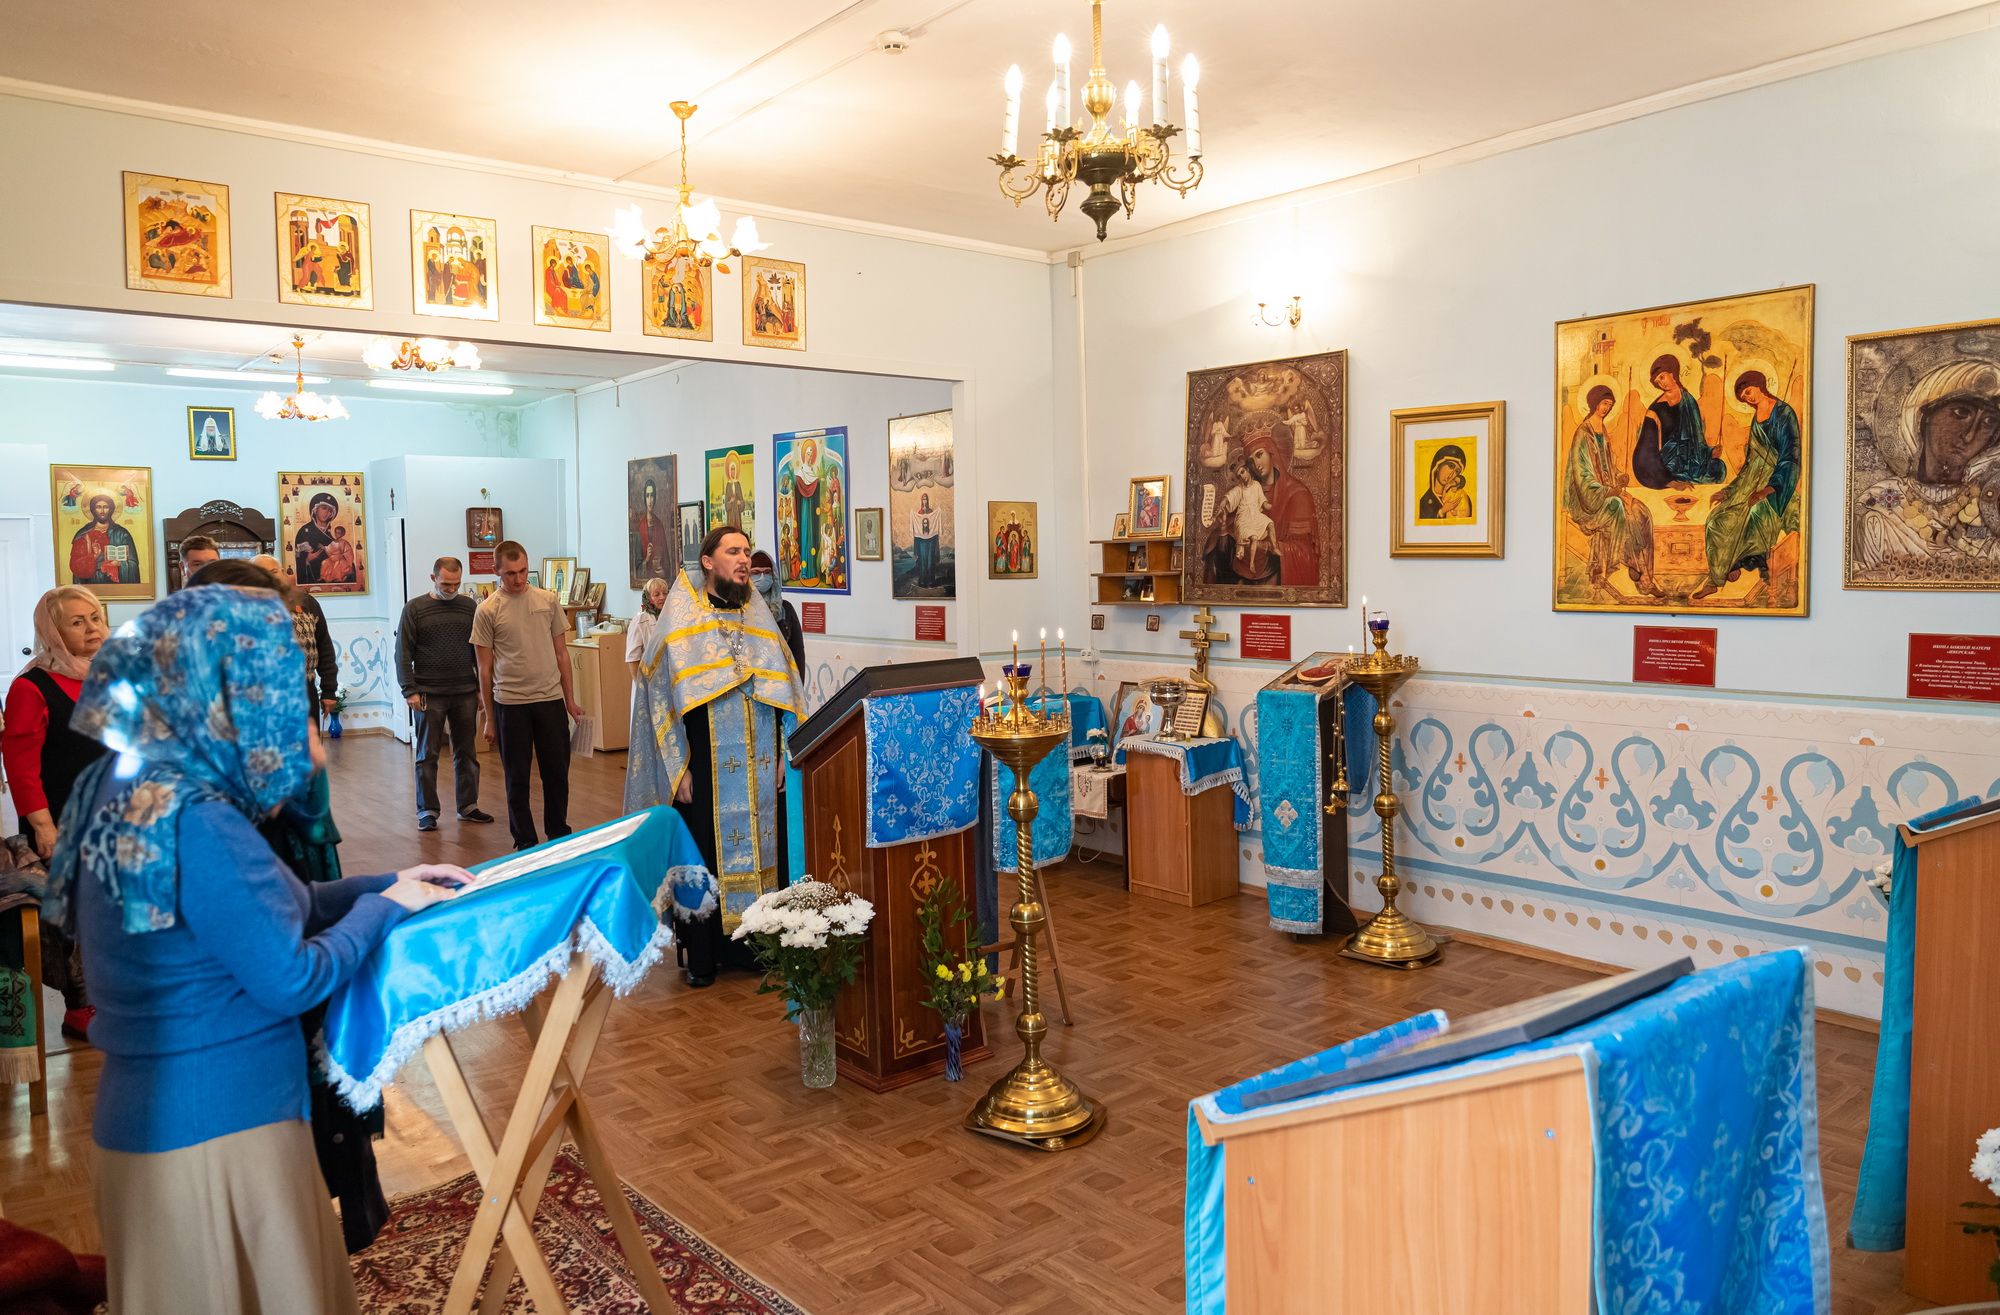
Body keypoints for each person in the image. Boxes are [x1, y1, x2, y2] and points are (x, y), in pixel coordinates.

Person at [44, 584, 468, 1315]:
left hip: (160, 1125)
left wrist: (386, 881)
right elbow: (290, 975)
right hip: (217, 1132)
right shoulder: (198, 819)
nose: (288, 726)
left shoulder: (138, 785)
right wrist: (385, 909)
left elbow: (265, 909)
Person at [626, 526, 803, 987]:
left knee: (766, 852)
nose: (744, 560)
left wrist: (784, 753)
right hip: (702, 764)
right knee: (702, 853)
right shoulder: (680, 622)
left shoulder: (760, 620)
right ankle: (703, 956)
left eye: (746, 551)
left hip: (761, 764)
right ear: (708, 561)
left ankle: (757, 948)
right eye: (733, 552)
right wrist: (677, 767)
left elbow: (787, 694)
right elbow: (658, 701)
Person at [1, 586, 108, 1039]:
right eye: (77, 622)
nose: (92, 629)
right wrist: (43, 826)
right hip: (62, 818)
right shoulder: (32, 687)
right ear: (53, 631)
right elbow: (21, 765)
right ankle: (80, 1006)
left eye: (95, 617)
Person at [473, 540, 584, 851]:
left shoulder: (547, 600)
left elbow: (562, 654)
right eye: (510, 573)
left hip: (549, 700)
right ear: (496, 571)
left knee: (557, 773)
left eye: (523, 571)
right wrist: (489, 719)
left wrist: (570, 701)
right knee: (517, 777)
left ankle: (558, 833)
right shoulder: (487, 610)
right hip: (510, 704)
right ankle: (525, 840)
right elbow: (484, 669)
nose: (518, 579)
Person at [396, 557, 492, 832]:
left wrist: (481, 689)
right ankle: (427, 810)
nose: (451, 589)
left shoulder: (469, 607)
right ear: (433, 578)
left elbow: (477, 651)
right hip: (429, 692)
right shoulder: (415, 608)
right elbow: (402, 652)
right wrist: (409, 690)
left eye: (456, 584)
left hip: (464, 691)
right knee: (428, 754)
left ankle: (468, 805)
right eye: (445, 584)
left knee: (467, 751)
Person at [1695, 371, 1802, 600]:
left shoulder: (1784, 413)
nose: (1748, 398)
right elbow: (1750, 462)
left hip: (1777, 483)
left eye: (1748, 391)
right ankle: (1716, 578)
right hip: (1750, 482)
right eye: (1743, 397)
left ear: (1759, 385)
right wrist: (1729, 490)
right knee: (1716, 520)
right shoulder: (1756, 420)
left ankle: (1742, 562)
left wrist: (1769, 489)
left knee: (1757, 514)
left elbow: (1790, 456)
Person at [1564, 385, 1661, 598]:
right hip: (1588, 500)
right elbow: (1582, 477)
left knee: (1642, 512)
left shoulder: (1602, 430)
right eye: (1604, 403)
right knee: (1618, 507)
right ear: (1594, 403)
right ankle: (1636, 569)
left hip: (1607, 491)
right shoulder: (1583, 433)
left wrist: (1619, 477)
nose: (1606, 408)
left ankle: (1644, 573)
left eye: (1609, 404)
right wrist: (1609, 491)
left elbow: (1608, 466)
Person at [254, 554, 338, 722]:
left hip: (304, 689)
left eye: (273, 572)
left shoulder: (307, 602)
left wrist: (329, 691)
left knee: (308, 736)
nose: (269, 577)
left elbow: (324, 647)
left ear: (283, 573)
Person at [1242, 424, 1320, 586]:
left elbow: (1304, 553)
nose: (1256, 464)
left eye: (1259, 455)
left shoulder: (1297, 494)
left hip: (1278, 573)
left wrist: (1267, 547)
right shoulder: (1249, 494)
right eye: (1251, 461)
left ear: (1272, 453)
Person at [1633, 354, 1724, 489]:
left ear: (1672, 373)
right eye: (1657, 382)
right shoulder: (1655, 410)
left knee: (1718, 468)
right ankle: (1673, 479)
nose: (1661, 383)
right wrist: (1668, 481)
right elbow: (1645, 451)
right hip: (1668, 464)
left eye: (1662, 377)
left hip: (1691, 461)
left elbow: (1697, 440)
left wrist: (1710, 452)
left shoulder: (1689, 401)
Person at [749, 550, 807, 671]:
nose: (762, 577)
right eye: (756, 573)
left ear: (774, 575)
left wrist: (798, 682)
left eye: (767, 572)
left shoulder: (785, 609)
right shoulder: (738, 608)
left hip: (781, 677)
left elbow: (797, 654)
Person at [68, 493, 141, 587]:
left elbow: (133, 563)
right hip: (91, 584)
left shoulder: (122, 534)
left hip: (116, 586)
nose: (102, 511)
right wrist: (93, 557)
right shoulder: (83, 534)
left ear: (111, 509)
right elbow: (77, 565)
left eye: (106, 507)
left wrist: (119, 564)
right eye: (98, 507)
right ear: (93, 509)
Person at [1221, 454, 1273, 580]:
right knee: (1252, 537)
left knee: (1269, 525)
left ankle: (1273, 549)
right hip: (1243, 518)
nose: (1242, 476)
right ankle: (1250, 564)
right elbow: (1231, 495)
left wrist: (1271, 505)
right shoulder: (1240, 489)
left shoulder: (1257, 485)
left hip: (1255, 516)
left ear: (1248, 470)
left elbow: (1263, 502)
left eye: (1243, 472)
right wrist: (1224, 501)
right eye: (1239, 475)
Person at [626, 576, 669, 677]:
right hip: (647, 678)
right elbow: (633, 659)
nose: (662, 597)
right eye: (657, 594)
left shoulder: (672, 617)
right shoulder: (639, 621)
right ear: (648, 598)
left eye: (665, 593)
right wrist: (640, 684)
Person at [294, 492, 340, 585]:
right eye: (324, 508)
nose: (327, 513)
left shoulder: (331, 535)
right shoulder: (305, 532)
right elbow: (298, 555)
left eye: (330, 511)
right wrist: (307, 559)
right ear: (315, 509)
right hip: (312, 577)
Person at [1418, 445, 1472, 521]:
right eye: (1451, 466)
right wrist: (1442, 511)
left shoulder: (1461, 497)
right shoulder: (1424, 502)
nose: (1451, 474)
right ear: (1438, 466)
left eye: (1457, 471)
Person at [631, 478, 670, 583]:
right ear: (644, 498)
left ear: (655, 498)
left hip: (659, 584)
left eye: (652, 495)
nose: (650, 500)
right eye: (647, 496)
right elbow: (636, 570)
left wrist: (663, 572)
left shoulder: (660, 526)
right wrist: (647, 559)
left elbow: (667, 565)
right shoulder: (640, 528)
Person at [911, 492, 941, 587]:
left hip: (931, 541)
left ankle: (931, 581)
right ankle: (923, 580)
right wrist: (915, 550)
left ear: (928, 500)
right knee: (923, 562)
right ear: (921, 500)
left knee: (930, 561)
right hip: (921, 542)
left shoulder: (931, 512)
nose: (925, 501)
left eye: (926, 499)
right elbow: (917, 531)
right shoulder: (919, 513)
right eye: (923, 499)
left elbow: (933, 526)